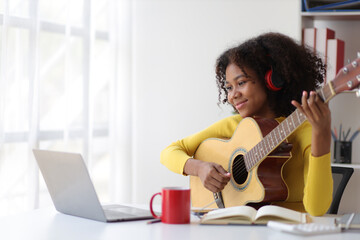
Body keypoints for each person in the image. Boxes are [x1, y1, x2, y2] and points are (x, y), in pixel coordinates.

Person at [160, 32, 333, 216]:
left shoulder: (307, 130)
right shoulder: (233, 126)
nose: (233, 95)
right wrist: (200, 168)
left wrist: (321, 134)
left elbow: (317, 209)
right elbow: (169, 152)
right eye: (229, 87)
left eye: (241, 82)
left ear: (272, 81)